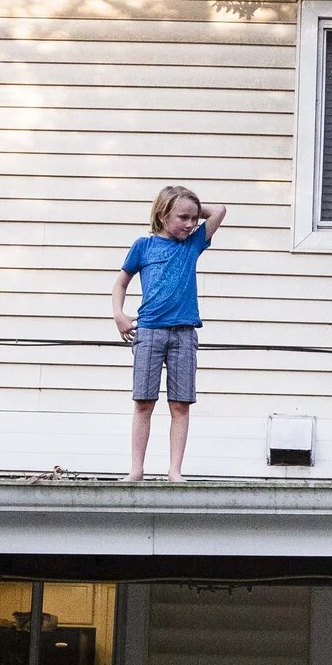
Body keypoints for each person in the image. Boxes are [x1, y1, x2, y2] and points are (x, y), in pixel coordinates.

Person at [112, 185, 225, 480]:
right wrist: (119, 315)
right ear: (163, 215)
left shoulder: (193, 244)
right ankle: (137, 469)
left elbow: (220, 210)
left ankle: (174, 470)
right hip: (149, 331)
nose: (190, 224)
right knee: (144, 402)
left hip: (184, 333)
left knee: (180, 404)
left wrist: (189, 205)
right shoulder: (144, 247)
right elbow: (121, 283)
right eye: (182, 218)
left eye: (193, 218)